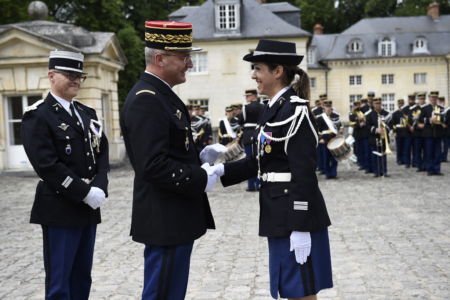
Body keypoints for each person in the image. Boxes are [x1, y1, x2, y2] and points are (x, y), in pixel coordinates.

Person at [206, 39, 333, 300]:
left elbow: (304, 174)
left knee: (302, 289)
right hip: (277, 210)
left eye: (258, 68)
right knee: (290, 287)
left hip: (294, 215)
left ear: (277, 71)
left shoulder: (295, 112)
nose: (253, 75)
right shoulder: (272, 109)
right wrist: (220, 171)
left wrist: (300, 226)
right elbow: (260, 162)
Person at [120, 20, 217, 299]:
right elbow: (152, 165)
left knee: (172, 291)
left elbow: (171, 151)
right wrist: (202, 177)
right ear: (160, 58)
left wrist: (199, 158)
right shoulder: (146, 99)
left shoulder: (162, 96)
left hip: (174, 215)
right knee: (162, 292)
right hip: (164, 218)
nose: (189, 63)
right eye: (184, 57)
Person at [21, 50, 109, 299]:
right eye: (69, 74)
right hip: (60, 207)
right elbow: (46, 165)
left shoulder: (86, 114)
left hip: (88, 206)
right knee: (60, 282)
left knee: (82, 277)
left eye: (80, 75)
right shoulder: (38, 115)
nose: (76, 80)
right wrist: (83, 192)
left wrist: (100, 186)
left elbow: (101, 153)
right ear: (51, 75)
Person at [237, 88, 265, 191]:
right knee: (259, 160)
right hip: (260, 135)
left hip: (248, 135)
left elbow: (240, 121)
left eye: (248, 96)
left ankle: (251, 186)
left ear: (253, 96)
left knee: (249, 161)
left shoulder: (245, 107)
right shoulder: (263, 106)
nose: (247, 98)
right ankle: (259, 184)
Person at [418, 91, 445, 175]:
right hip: (428, 134)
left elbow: (445, 119)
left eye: (435, 98)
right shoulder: (424, 108)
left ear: (437, 98)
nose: (433, 99)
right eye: (432, 98)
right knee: (429, 153)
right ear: (429, 98)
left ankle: (437, 169)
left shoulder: (441, 108)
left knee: (437, 153)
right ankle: (430, 169)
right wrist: (430, 120)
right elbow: (420, 120)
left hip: (437, 133)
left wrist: (440, 119)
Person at [317, 99, 341, 179]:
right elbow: (318, 131)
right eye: (327, 106)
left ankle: (333, 173)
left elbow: (339, 126)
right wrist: (320, 139)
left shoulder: (336, 116)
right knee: (326, 158)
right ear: (323, 107)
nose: (328, 108)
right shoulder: (320, 118)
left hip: (334, 140)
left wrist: (341, 129)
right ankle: (328, 173)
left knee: (334, 158)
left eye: (329, 106)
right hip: (325, 140)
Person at [366, 98, 391, 177]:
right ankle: (376, 171)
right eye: (376, 104)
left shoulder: (386, 113)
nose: (378, 105)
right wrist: (376, 129)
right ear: (373, 104)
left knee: (383, 155)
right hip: (374, 138)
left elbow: (390, 124)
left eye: (379, 104)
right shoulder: (370, 115)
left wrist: (385, 130)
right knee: (375, 155)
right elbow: (367, 126)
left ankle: (384, 171)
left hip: (384, 137)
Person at [389, 99, 409, 166]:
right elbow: (393, 124)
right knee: (399, 147)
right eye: (399, 104)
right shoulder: (395, 113)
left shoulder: (406, 112)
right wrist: (394, 131)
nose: (401, 105)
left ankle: (405, 160)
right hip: (398, 132)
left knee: (405, 147)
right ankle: (399, 160)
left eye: (402, 104)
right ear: (398, 105)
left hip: (406, 132)